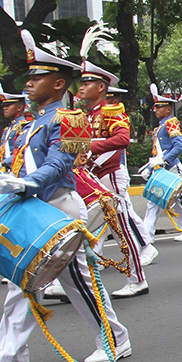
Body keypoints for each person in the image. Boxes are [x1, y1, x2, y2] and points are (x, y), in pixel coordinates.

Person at [0, 31, 131, 362]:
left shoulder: (70, 118)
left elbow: (61, 163)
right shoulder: (30, 123)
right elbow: (24, 162)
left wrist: (29, 182)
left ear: (58, 83)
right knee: (20, 281)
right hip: (30, 208)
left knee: (77, 281)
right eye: (29, 77)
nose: (28, 83)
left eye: (36, 77)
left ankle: (114, 339)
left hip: (58, 206)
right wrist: (5, 178)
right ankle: (11, 356)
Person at [77, 51, 154, 298]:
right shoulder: (88, 115)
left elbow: (122, 139)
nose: (82, 87)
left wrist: (90, 145)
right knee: (85, 226)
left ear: (101, 87)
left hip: (109, 176)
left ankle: (138, 279)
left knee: (121, 228)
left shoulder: (111, 111)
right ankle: (79, 279)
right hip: (92, 176)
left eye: (87, 82)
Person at [141, 85, 182, 244]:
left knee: (179, 199)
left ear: (168, 109)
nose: (155, 110)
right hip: (160, 168)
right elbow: (158, 151)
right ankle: (147, 235)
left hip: (171, 167)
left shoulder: (171, 122)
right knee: (153, 200)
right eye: (155, 107)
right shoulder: (161, 126)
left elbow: (179, 146)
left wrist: (163, 159)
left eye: (159, 107)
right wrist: (150, 167)